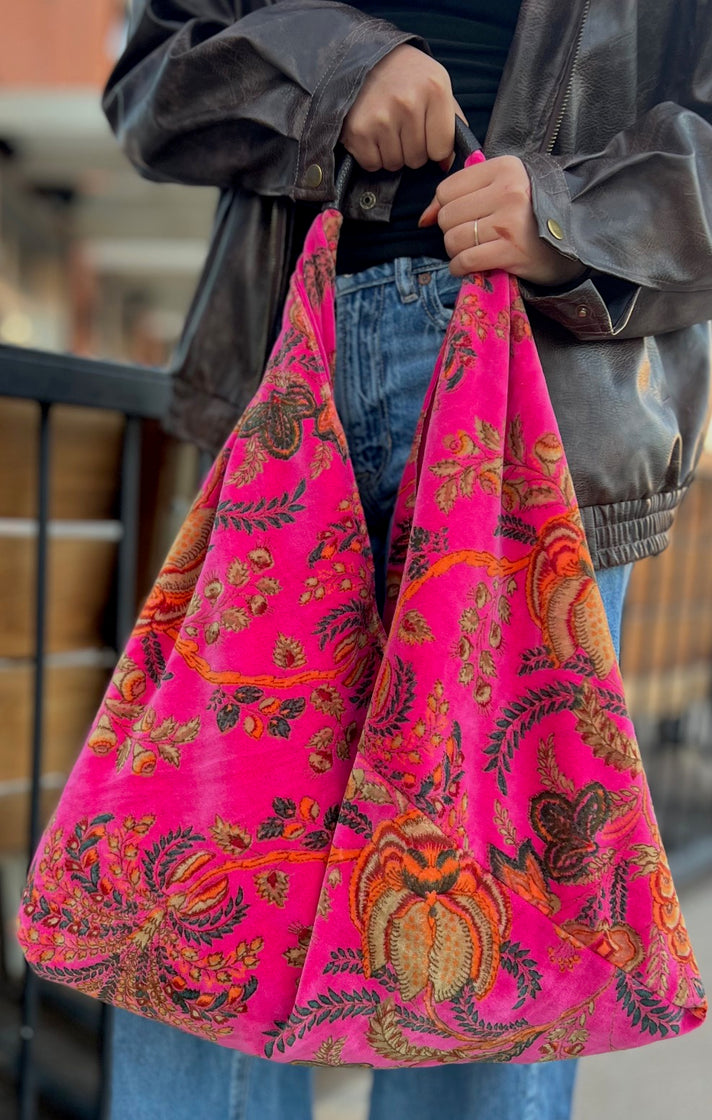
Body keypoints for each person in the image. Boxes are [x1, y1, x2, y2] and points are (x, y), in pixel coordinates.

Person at [101, 2, 712, 1117]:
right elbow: (153, 77)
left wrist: (572, 213)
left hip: (545, 418)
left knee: (482, 974)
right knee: (196, 938)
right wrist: (337, 71)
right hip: (283, 393)